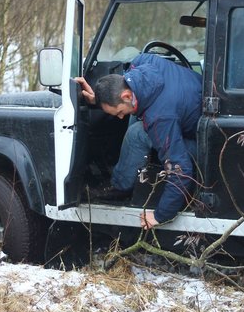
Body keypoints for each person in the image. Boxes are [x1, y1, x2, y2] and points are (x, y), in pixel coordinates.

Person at [75, 53, 202, 230]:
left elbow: (182, 169)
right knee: (134, 116)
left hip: (206, 145)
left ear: (126, 96)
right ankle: (127, 170)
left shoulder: (159, 118)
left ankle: (120, 187)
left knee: (137, 133)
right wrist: (99, 98)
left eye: (118, 111)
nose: (119, 117)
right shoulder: (142, 62)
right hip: (192, 100)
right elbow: (120, 93)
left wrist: (161, 215)